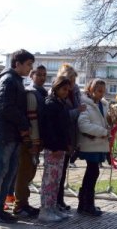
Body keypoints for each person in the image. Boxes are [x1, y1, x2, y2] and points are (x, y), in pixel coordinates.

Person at [0, 49, 34, 224]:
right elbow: (6, 108)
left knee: (9, 174)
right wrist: (24, 124)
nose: (30, 68)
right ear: (17, 64)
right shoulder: (8, 79)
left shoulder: (16, 80)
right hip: (4, 134)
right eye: (28, 64)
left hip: (12, 135)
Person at [13, 65, 47, 218]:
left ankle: (24, 203)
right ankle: (19, 205)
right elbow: (30, 119)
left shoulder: (42, 92)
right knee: (24, 173)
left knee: (30, 172)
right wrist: (31, 141)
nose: (42, 77)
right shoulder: (29, 93)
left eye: (44, 75)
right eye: (38, 74)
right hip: (29, 140)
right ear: (32, 75)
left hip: (38, 139)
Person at [38, 76, 73, 223]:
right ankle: (45, 209)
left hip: (61, 147)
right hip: (53, 148)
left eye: (68, 90)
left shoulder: (61, 103)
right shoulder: (50, 103)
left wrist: (66, 145)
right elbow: (49, 129)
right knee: (49, 180)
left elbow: (64, 127)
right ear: (56, 88)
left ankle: (53, 207)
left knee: (56, 180)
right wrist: (55, 147)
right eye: (64, 89)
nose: (66, 92)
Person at [55, 63, 86, 212]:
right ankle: (55, 201)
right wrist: (77, 111)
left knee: (63, 170)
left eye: (74, 81)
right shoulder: (56, 94)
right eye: (70, 81)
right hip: (60, 137)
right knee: (57, 173)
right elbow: (61, 116)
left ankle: (59, 199)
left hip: (71, 136)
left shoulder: (75, 92)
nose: (72, 85)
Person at [76, 78, 110, 217]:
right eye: (99, 91)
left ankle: (84, 203)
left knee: (92, 173)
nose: (102, 94)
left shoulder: (104, 105)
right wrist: (103, 132)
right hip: (90, 144)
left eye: (103, 91)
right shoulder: (85, 104)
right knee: (92, 172)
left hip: (99, 145)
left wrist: (110, 129)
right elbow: (84, 125)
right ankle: (87, 204)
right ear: (91, 90)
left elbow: (104, 123)